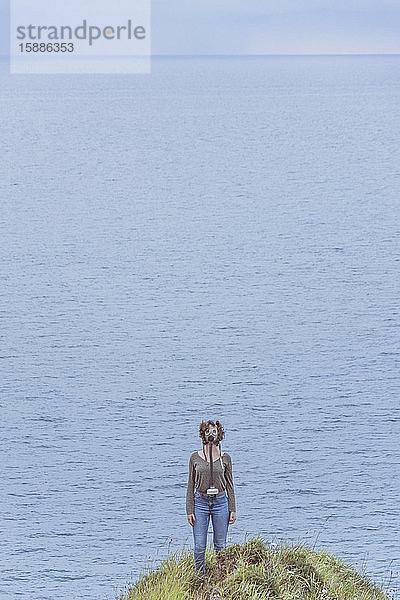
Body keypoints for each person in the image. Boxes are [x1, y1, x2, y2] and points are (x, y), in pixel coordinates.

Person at [186, 419, 236, 576]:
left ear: (219, 434)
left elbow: (230, 485)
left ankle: (222, 576)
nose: (211, 434)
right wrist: (189, 509)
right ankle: (200, 577)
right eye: (208, 431)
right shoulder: (195, 458)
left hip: (221, 502)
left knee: (220, 545)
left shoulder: (225, 458)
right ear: (203, 434)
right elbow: (190, 484)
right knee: (200, 546)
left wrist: (232, 508)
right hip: (200, 502)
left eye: (214, 431)